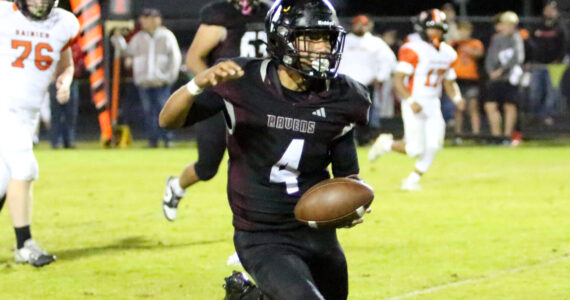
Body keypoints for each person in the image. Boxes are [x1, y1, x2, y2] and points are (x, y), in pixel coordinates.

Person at [159, 0, 371, 299]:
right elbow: (168, 120)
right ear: (282, 38)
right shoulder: (242, 81)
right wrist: (196, 85)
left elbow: (347, 173)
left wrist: (351, 201)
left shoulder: (344, 96)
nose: (322, 48)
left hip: (316, 232)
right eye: (310, 37)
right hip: (261, 233)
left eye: (326, 38)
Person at [162, 0, 269, 222]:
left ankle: (256, 235)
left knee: (260, 167)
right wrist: (218, 85)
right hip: (221, 102)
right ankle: (176, 186)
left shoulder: (267, 13)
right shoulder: (221, 15)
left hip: (256, 103)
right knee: (207, 168)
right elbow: (193, 58)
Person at [0, 0, 79, 267]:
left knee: (3, 179)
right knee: (25, 166)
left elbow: (65, 64)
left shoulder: (63, 23)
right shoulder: (3, 14)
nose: (39, 3)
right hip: (3, 107)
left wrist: (64, 81)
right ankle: (25, 245)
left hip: (28, 114)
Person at [368, 9, 463, 191]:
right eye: (431, 28)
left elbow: (449, 80)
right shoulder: (412, 48)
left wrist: (456, 97)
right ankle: (386, 144)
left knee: (435, 144)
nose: (435, 33)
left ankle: (412, 180)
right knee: (415, 150)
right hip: (414, 101)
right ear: (422, 29)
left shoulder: (449, 52)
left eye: (438, 28)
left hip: (433, 102)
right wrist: (410, 100)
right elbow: (398, 79)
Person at [112, 8, 182, 148]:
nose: (143, 22)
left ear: (157, 20)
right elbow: (126, 51)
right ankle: (153, 140)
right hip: (144, 81)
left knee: (164, 111)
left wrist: (169, 77)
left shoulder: (167, 36)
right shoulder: (139, 37)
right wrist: (117, 38)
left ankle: (167, 139)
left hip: (161, 81)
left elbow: (175, 59)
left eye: (147, 19)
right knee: (148, 112)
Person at [338, 14, 396, 145]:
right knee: (344, 113)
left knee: (364, 114)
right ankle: (344, 140)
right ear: (354, 24)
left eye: (364, 24)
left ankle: (364, 139)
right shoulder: (344, 40)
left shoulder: (375, 42)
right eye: (359, 23)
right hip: (345, 83)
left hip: (366, 84)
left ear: (369, 26)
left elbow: (389, 60)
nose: (361, 26)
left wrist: (381, 76)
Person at [484, 11, 524, 143]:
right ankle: (497, 136)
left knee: (509, 106)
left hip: (509, 78)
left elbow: (518, 58)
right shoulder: (496, 39)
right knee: (490, 105)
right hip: (495, 78)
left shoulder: (516, 38)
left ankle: (507, 136)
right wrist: (491, 71)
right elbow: (490, 58)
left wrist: (502, 70)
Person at [528, 1, 568, 126]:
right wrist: (529, 60)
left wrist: (559, 60)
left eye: (552, 9)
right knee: (534, 92)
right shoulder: (537, 26)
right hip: (537, 64)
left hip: (554, 66)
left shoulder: (561, 28)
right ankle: (536, 116)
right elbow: (529, 45)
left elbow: (565, 45)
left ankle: (546, 117)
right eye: (548, 8)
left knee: (552, 93)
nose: (549, 11)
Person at [450, 21, 484, 139]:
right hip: (457, 79)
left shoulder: (475, 43)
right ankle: (458, 134)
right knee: (458, 108)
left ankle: (476, 133)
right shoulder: (453, 44)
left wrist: (464, 47)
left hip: (471, 79)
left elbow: (478, 54)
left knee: (473, 107)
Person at [49, 41, 83, 149]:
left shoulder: (77, 47)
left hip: (72, 81)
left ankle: (68, 140)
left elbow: (79, 63)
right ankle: (55, 142)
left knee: (71, 113)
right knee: (56, 113)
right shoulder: (57, 42)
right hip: (56, 81)